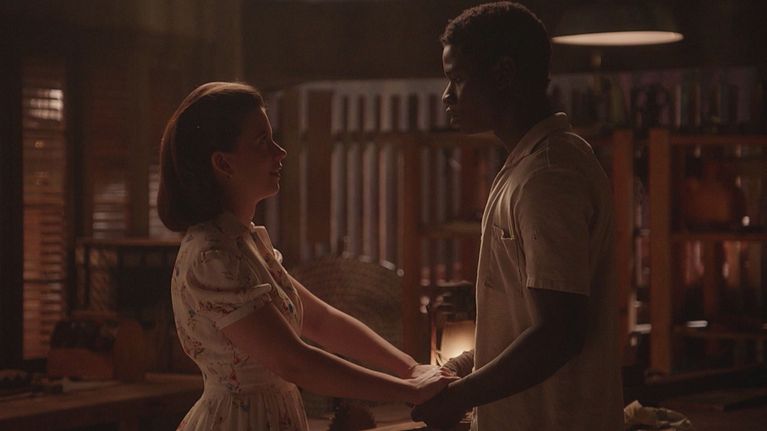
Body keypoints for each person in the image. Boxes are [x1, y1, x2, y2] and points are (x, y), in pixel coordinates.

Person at [158, 82, 455, 430]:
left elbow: (321, 321)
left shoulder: (245, 242)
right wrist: (409, 391)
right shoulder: (212, 256)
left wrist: (410, 368)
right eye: (262, 141)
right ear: (223, 163)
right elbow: (294, 362)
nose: (280, 152)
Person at [411, 2, 624, 430]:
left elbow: (559, 334)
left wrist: (460, 397)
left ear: (504, 74)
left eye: (458, 78)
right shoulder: (527, 166)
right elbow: (527, 324)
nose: (447, 95)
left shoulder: (548, 177)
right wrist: (463, 366)